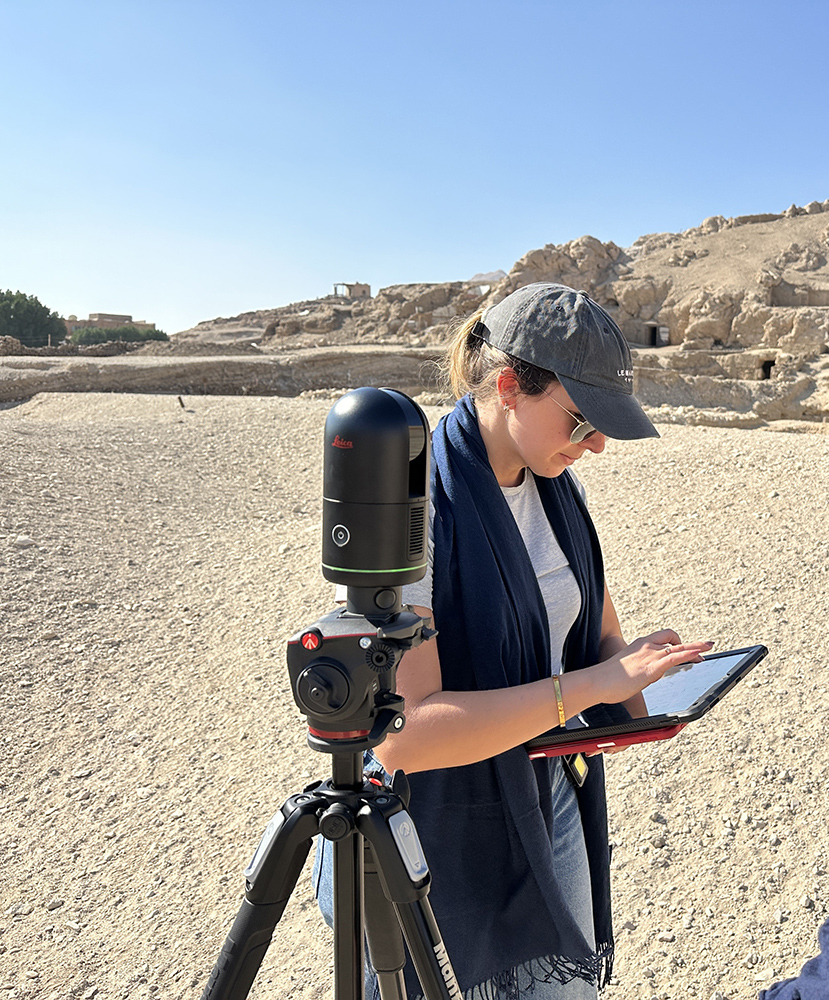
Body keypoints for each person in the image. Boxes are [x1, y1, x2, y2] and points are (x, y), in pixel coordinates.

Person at [314, 282, 713, 999]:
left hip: (542, 789)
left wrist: (643, 697)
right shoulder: (416, 513)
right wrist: (589, 691)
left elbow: (594, 632)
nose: (595, 444)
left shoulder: (556, 484)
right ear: (508, 387)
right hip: (428, 824)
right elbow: (406, 736)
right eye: (583, 419)